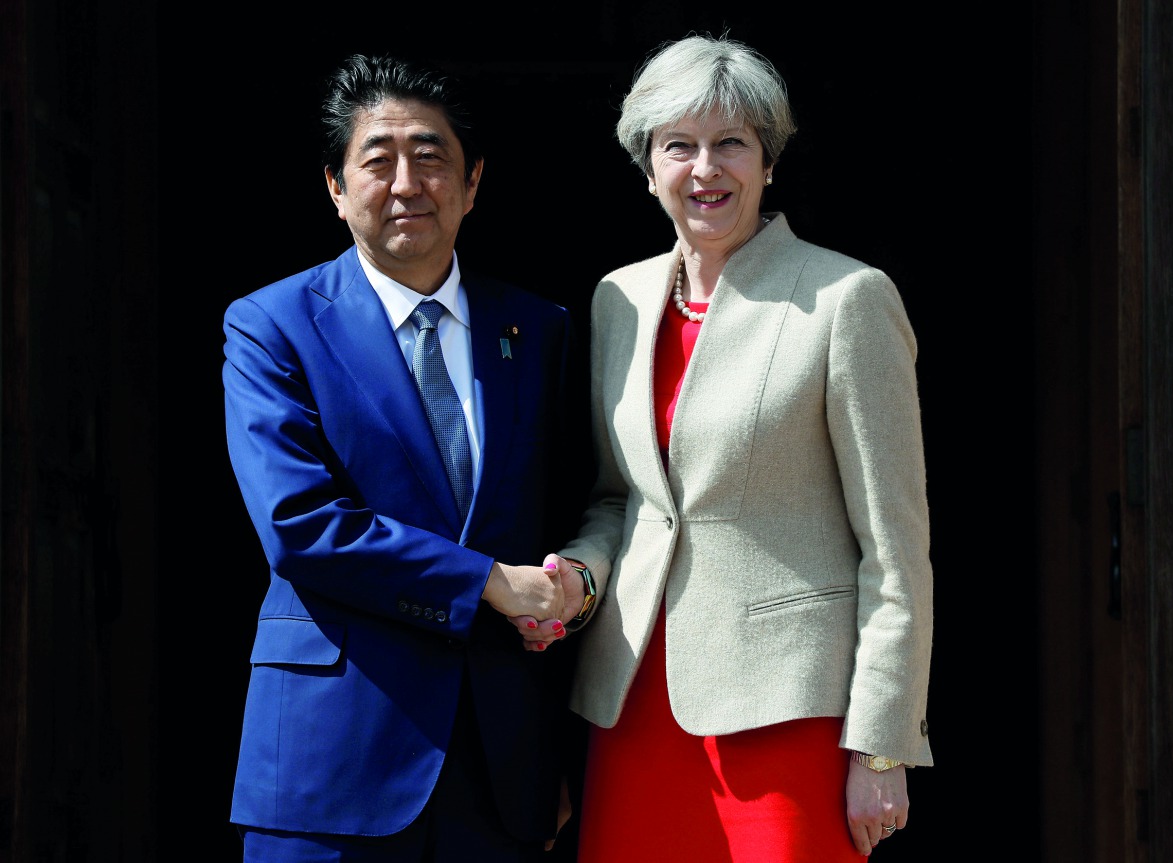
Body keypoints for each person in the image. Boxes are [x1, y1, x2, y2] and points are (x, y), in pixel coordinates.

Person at [512, 33, 934, 861]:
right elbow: (620, 497)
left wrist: (881, 745)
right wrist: (580, 574)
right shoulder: (619, 298)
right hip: (632, 707)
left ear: (768, 160)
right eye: (680, 146)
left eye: (731, 143)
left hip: (786, 719)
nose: (706, 169)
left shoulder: (847, 297)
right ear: (649, 167)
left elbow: (896, 548)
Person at [222, 53, 591, 862]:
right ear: (334, 186)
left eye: (431, 158)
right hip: (332, 768)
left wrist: (565, 749)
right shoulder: (271, 324)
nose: (405, 183)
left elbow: (569, 514)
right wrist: (488, 581)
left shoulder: (540, 330)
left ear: (473, 182)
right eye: (377, 161)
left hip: (504, 776)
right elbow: (299, 525)